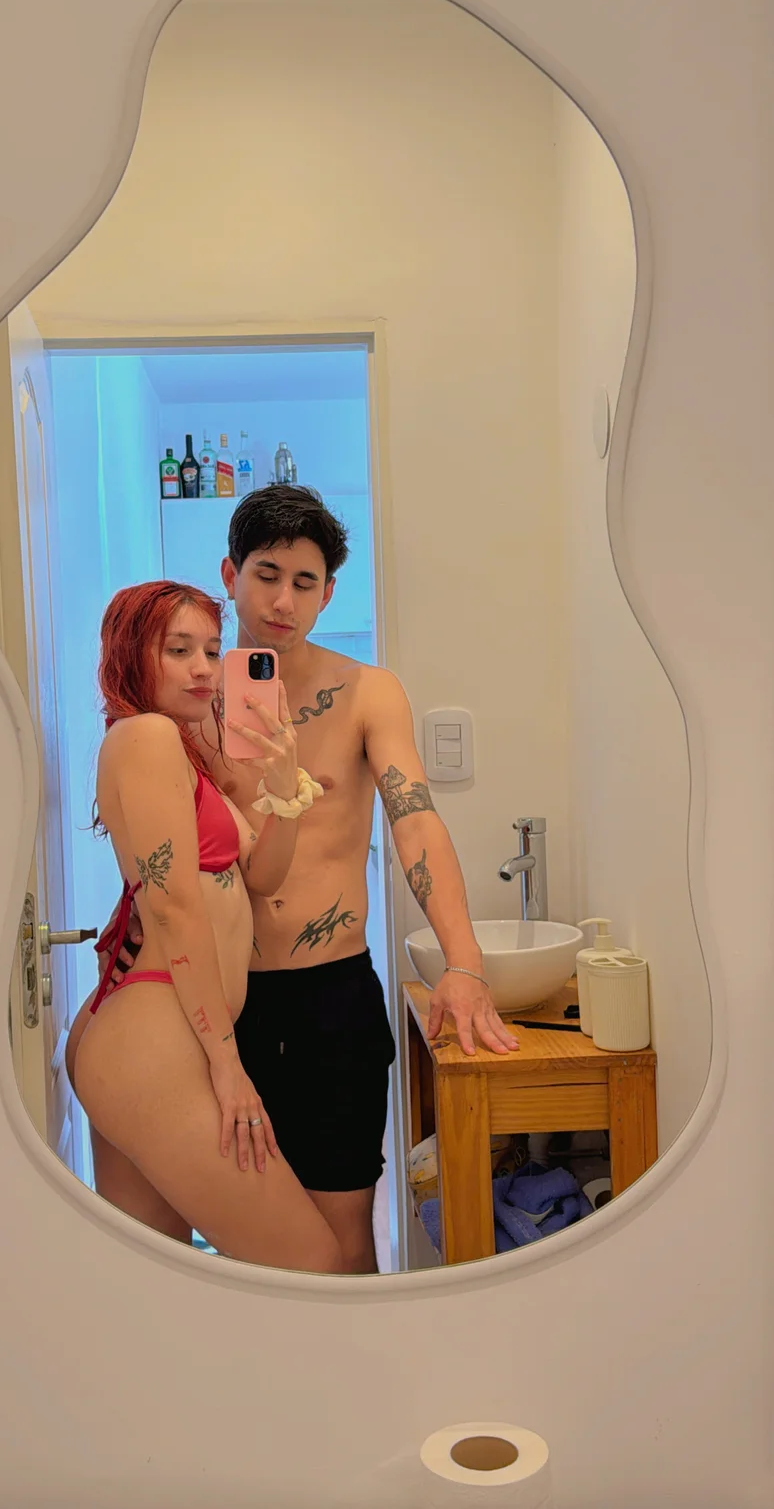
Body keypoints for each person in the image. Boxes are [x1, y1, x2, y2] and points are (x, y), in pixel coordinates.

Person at [104, 487, 519, 1273]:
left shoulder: (367, 692)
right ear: (230, 575)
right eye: (266, 575)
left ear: (329, 592)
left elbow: (414, 820)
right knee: (222, 1256)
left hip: (330, 997)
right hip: (215, 1005)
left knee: (342, 1245)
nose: (283, 601)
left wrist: (463, 962)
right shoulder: (186, 702)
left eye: (305, 582)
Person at [65, 579, 343, 1273]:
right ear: (132, 654)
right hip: (157, 1038)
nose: (202, 668)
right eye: (178, 649)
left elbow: (262, 875)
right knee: (313, 1263)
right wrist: (228, 1064)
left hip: (149, 1033)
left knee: (162, 1280)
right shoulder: (147, 735)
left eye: (212, 651)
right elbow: (173, 907)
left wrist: (285, 785)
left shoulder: (184, 751)